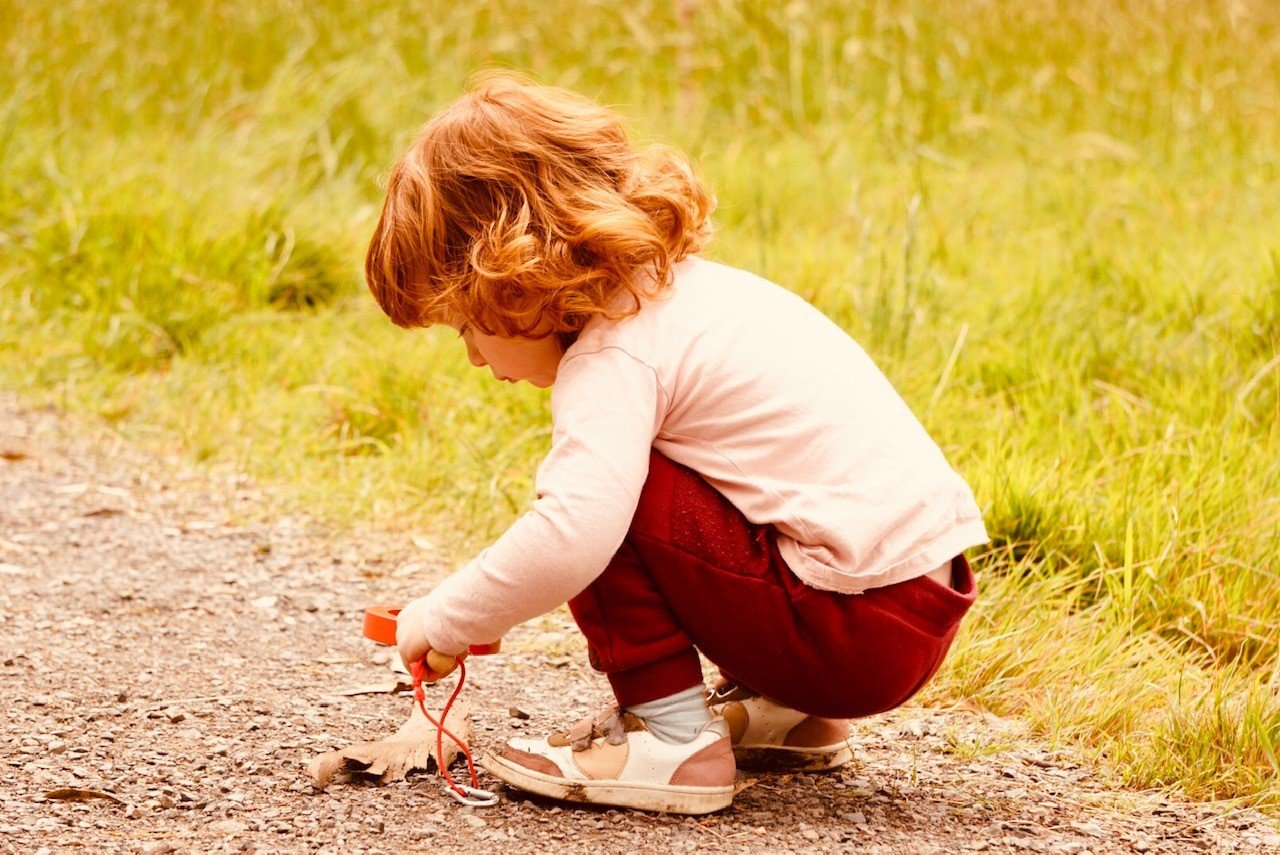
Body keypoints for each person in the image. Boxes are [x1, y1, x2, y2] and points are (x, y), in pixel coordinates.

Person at [363, 69, 988, 815]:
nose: (470, 355)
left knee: (604, 497)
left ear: (512, 278)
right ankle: (785, 711)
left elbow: (572, 536)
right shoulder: (690, 296)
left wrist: (446, 615)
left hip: (848, 629)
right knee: (661, 473)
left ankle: (669, 739)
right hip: (916, 601)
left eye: (466, 323)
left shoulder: (613, 354)